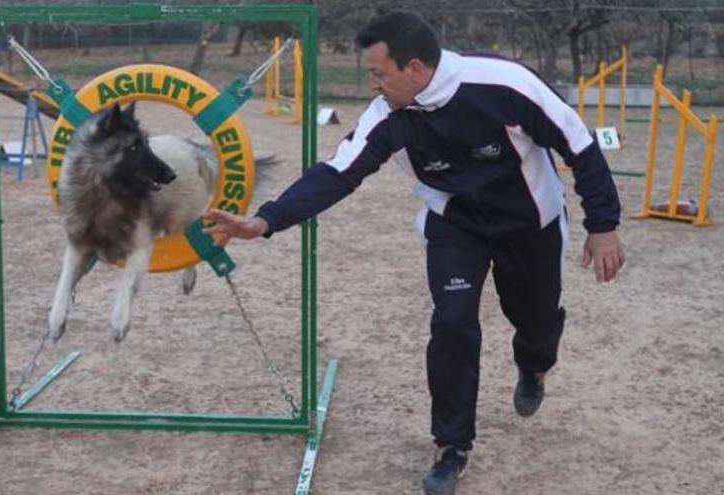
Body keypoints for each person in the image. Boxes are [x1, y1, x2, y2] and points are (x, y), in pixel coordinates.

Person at [204, 10, 625, 495]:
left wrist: (603, 226)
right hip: (455, 225)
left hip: (529, 221)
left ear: (417, 70)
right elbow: (338, 172)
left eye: (379, 74)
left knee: (533, 319)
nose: (373, 85)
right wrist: (265, 220)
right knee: (452, 324)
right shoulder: (387, 115)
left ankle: (533, 365)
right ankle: (451, 448)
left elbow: (578, 142)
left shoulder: (502, 84)